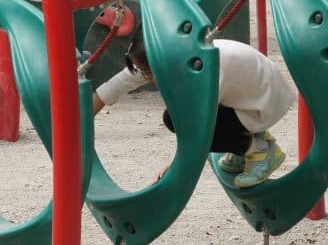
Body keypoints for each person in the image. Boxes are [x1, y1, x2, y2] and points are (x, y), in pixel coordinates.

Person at [92, 30, 295, 188]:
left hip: (264, 105)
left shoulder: (203, 72)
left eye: (147, 72)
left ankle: (260, 150)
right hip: (252, 95)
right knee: (178, 116)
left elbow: (199, 128)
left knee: (178, 121)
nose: (144, 76)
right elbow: (118, 84)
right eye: (141, 70)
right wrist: (82, 121)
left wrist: (176, 166)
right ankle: (248, 140)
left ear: (160, 64)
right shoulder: (178, 55)